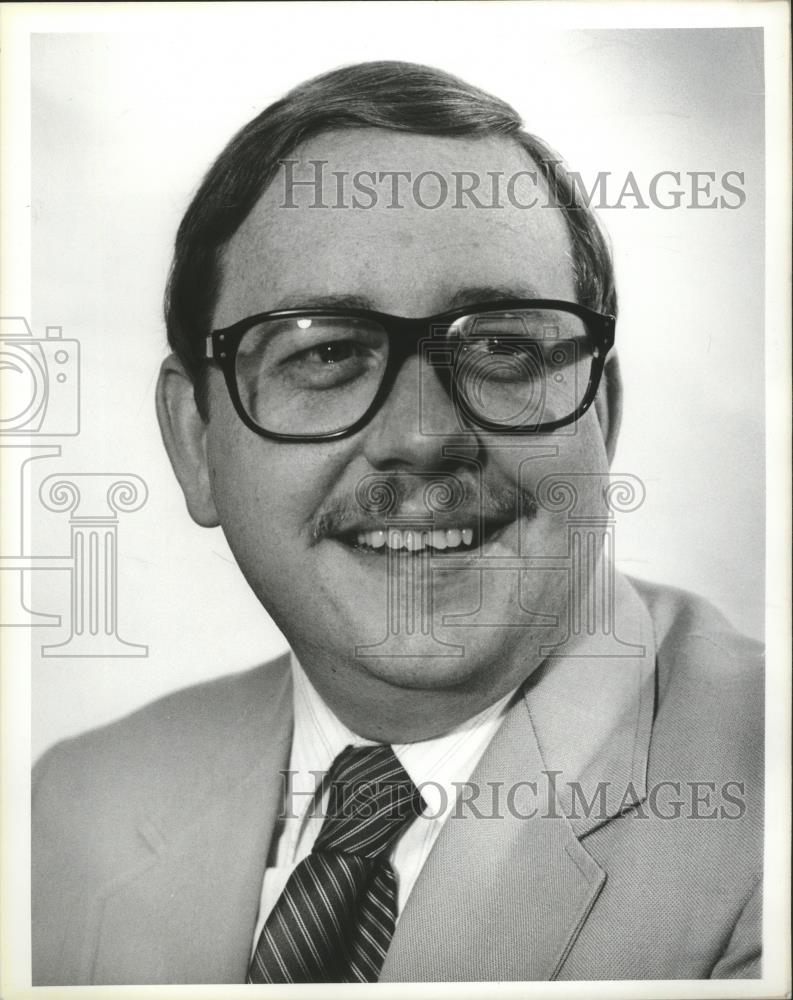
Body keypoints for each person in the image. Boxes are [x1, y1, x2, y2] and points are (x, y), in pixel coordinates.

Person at [32, 61, 763, 985]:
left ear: (598, 415)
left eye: (502, 347)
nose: (423, 438)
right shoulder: (69, 806)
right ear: (195, 441)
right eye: (327, 352)